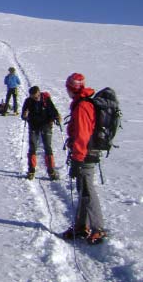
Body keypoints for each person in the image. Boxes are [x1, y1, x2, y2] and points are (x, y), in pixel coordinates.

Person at [61, 73, 107, 245]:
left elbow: (82, 134)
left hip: (86, 154)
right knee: (82, 189)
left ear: (72, 88)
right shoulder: (82, 103)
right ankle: (82, 226)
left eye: (68, 87)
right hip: (84, 153)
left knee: (87, 190)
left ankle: (98, 228)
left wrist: (77, 159)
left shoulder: (82, 107)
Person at [21, 86, 62, 180]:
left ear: (39, 93)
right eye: (33, 97)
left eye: (36, 96)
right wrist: (24, 115)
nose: (35, 98)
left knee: (47, 147)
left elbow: (52, 110)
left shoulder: (46, 99)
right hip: (33, 126)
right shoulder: (28, 101)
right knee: (32, 147)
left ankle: (51, 171)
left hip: (46, 125)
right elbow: (23, 115)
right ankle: (31, 170)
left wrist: (57, 117)